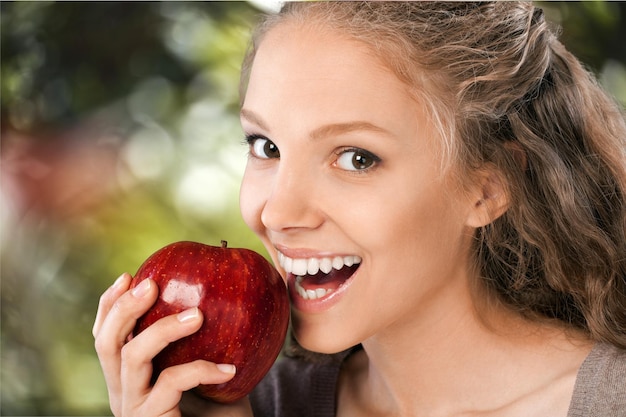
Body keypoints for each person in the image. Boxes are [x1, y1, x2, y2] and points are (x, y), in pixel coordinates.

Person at [92, 2, 626, 416]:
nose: (277, 213)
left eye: (355, 157)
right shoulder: (257, 407)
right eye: (266, 147)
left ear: (486, 188)